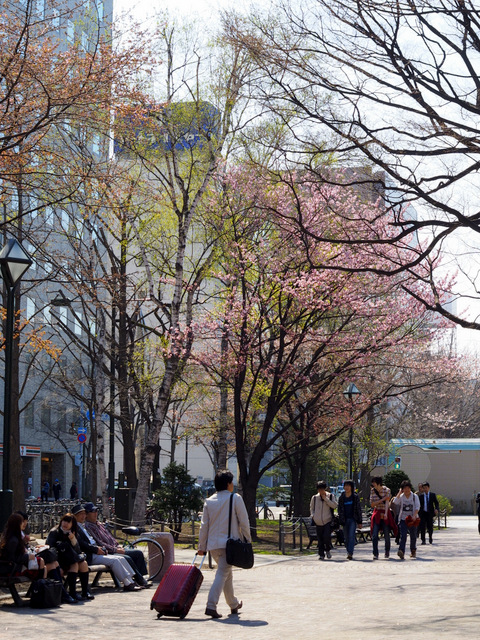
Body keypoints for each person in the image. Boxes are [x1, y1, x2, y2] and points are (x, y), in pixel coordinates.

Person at [198, 469, 251, 619]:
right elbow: (244, 522)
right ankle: (211, 605)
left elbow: (204, 527)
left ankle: (233, 604)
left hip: (213, 546)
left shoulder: (209, 501)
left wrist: (202, 547)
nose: (232, 484)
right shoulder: (235, 498)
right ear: (228, 484)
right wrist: (248, 540)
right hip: (230, 545)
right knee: (222, 574)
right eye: (231, 482)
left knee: (226, 573)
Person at [72, 504, 141, 591]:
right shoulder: (75, 528)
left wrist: (100, 548)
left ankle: (131, 581)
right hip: (89, 555)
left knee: (121, 558)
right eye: (80, 514)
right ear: (74, 516)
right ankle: (127, 583)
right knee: (115, 561)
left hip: (96, 551)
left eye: (84, 514)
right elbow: (82, 544)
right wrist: (96, 549)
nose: (83, 516)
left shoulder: (81, 526)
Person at [46, 513, 94, 602]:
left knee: (83, 564)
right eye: (64, 521)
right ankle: (72, 593)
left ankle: (85, 591)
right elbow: (50, 549)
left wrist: (73, 539)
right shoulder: (54, 532)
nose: (65, 524)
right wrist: (58, 566)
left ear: (72, 524)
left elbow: (78, 551)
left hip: (70, 559)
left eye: (68, 522)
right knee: (74, 564)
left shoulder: (73, 533)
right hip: (59, 560)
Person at [0, 513, 46, 579]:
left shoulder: (11, 536)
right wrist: (28, 557)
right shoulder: (13, 540)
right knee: (41, 562)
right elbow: (12, 558)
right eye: (22, 522)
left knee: (42, 563)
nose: (23, 524)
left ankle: (42, 583)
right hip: (12, 569)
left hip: (13, 566)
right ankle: (40, 583)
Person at [310, 481, 337, 560]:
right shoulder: (315, 498)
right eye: (319, 489)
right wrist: (313, 516)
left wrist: (326, 499)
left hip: (327, 520)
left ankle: (327, 549)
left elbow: (334, 506)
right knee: (320, 539)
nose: (320, 491)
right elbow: (312, 508)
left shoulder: (330, 496)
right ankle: (321, 554)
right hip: (318, 521)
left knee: (326, 537)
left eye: (322, 489)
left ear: (325, 488)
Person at [393, 480, 420, 559]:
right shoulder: (401, 496)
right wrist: (399, 493)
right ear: (402, 489)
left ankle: (413, 550)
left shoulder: (414, 496)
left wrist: (414, 516)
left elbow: (417, 507)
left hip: (412, 519)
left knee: (413, 535)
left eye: (408, 488)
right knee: (403, 535)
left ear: (410, 488)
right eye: (405, 488)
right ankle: (401, 551)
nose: (407, 490)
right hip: (403, 519)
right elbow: (395, 502)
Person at [337, 480, 363, 560]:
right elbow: (339, 509)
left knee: (351, 536)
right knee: (346, 538)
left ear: (351, 487)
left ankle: (350, 553)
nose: (347, 487)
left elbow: (358, 509)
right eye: (345, 486)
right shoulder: (342, 497)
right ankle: (348, 550)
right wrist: (340, 519)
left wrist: (359, 521)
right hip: (344, 520)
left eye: (348, 486)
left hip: (352, 519)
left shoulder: (355, 497)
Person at [370, 476, 392, 560]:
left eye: (374, 482)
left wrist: (386, 514)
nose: (373, 484)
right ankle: (375, 553)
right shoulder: (373, 491)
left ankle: (387, 551)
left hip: (384, 512)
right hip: (377, 513)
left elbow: (387, 502)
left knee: (386, 534)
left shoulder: (387, 490)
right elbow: (372, 504)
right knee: (374, 534)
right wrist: (382, 499)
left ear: (378, 483)